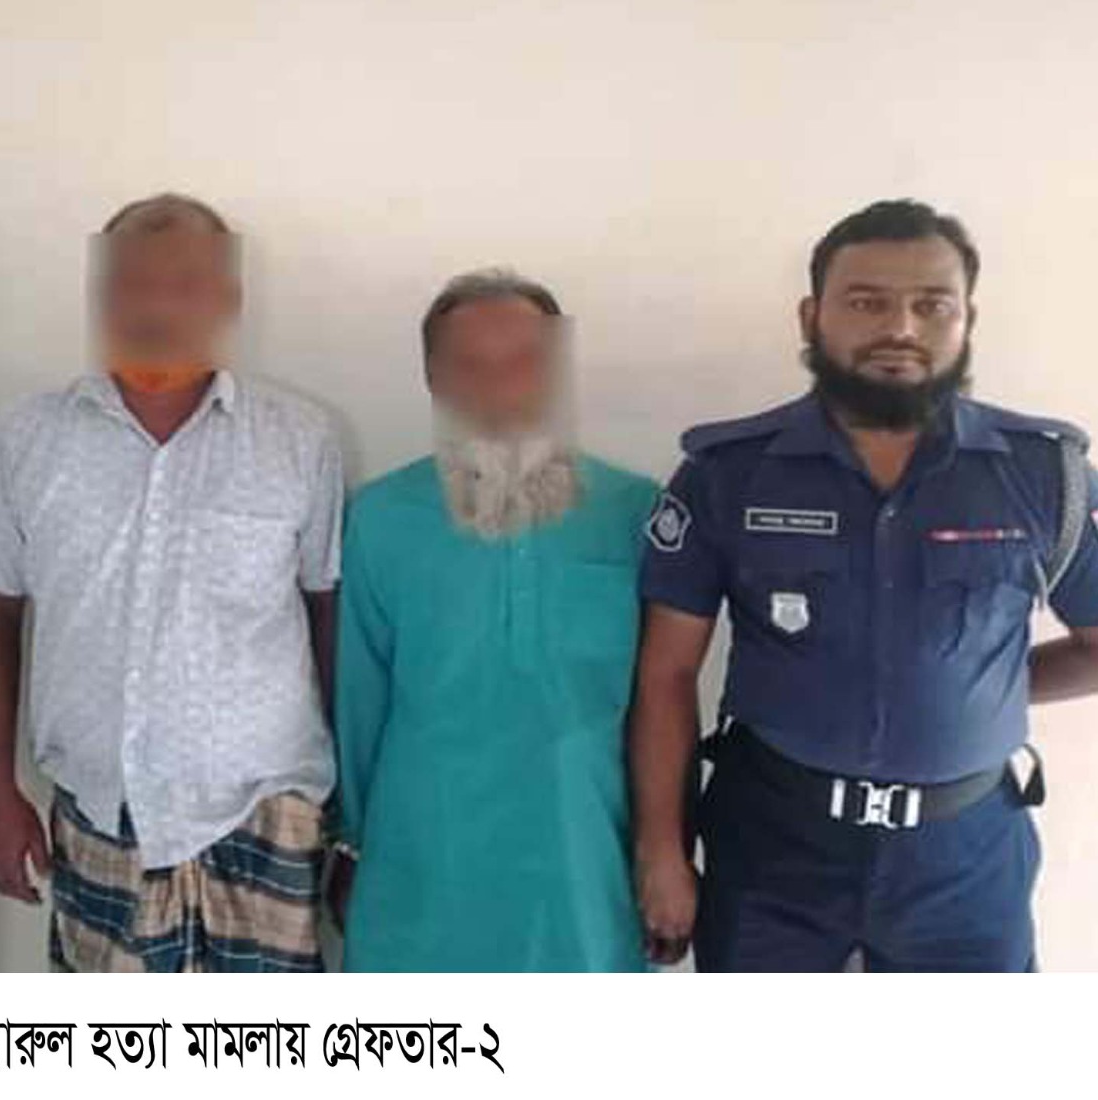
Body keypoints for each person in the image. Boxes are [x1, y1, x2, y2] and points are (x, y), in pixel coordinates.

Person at [633, 199, 1098, 971]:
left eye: (931, 304)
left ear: (968, 319)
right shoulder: (727, 474)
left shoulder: (1047, 476)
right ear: (811, 316)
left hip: (967, 859)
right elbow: (666, 675)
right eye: (867, 301)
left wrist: (986, 689)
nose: (901, 327)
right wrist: (662, 851)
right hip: (773, 847)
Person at [0, 192, 342, 972]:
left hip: (268, 811)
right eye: (134, 283)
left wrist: (349, 814)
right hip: (100, 811)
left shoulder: (299, 439)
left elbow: (326, 612)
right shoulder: (30, 436)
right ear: (102, 295)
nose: (158, 305)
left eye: (185, 284)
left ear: (228, 300)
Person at [332, 269, 655, 971]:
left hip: (585, 850)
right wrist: (350, 840)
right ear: (432, 379)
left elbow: (661, 703)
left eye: (524, 362)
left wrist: (664, 850)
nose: (500, 389)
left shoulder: (637, 512)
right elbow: (358, 696)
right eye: (470, 366)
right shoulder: (381, 517)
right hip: (424, 846)